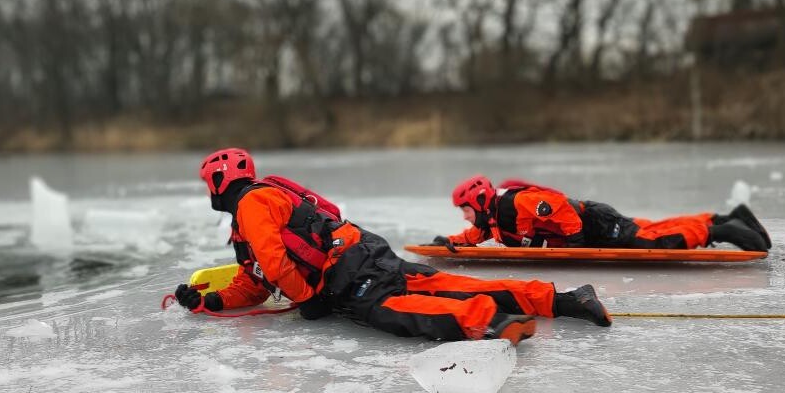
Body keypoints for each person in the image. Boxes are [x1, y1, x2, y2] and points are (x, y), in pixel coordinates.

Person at [172, 148, 611, 346]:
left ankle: (491, 323)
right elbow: (257, 281)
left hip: (345, 277)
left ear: (216, 184)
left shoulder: (250, 204)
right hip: (365, 250)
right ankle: (565, 300)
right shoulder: (267, 199)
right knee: (444, 284)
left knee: (401, 311)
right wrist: (211, 298)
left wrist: (308, 299)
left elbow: (272, 261)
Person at [427, 175, 771, 252]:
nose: (464, 218)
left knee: (651, 243)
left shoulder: (514, 203)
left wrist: (576, 244)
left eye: (465, 210)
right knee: (650, 228)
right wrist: (453, 243)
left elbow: (559, 206)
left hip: (593, 222)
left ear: (480, 200)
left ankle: (723, 232)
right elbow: (477, 235)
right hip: (593, 221)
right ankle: (721, 218)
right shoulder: (492, 219)